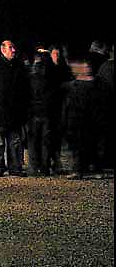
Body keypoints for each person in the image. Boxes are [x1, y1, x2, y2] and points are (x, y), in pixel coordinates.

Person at [0, 40, 29, 177]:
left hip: (15, 112)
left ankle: (15, 166)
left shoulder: (19, 67)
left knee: (14, 141)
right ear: (3, 50)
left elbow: (24, 89)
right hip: (0, 112)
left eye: (14, 47)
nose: (14, 50)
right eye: (11, 47)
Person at [61, 61, 102, 179]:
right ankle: (86, 169)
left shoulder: (74, 86)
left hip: (81, 119)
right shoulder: (94, 85)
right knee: (83, 145)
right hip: (80, 119)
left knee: (83, 145)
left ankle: (83, 169)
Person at [26, 50, 56, 176]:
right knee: (45, 141)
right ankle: (44, 167)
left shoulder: (30, 77)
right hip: (46, 111)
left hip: (34, 111)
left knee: (33, 141)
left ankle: (34, 167)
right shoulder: (51, 76)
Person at [47, 44, 73, 174]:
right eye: (55, 54)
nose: (57, 57)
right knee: (50, 135)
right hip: (50, 106)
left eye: (58, 54)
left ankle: (57, 160)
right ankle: (51, 160)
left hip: (61, 105)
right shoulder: (47, 69)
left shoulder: (64, 69)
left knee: (58, 134)